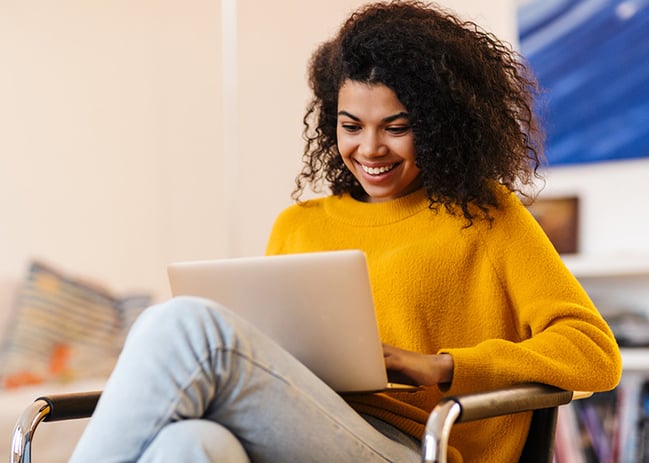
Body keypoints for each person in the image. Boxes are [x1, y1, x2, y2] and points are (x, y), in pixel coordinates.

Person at [69, 1, 622, 462]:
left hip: (418, 444)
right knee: (188, 443)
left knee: (185, 326)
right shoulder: (298, 226)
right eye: (350, 126)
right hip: (307, 424)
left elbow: (595, 354)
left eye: (397, 128)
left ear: (441, 126)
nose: (369, 149)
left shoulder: (485, 216)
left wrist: (444, 365)